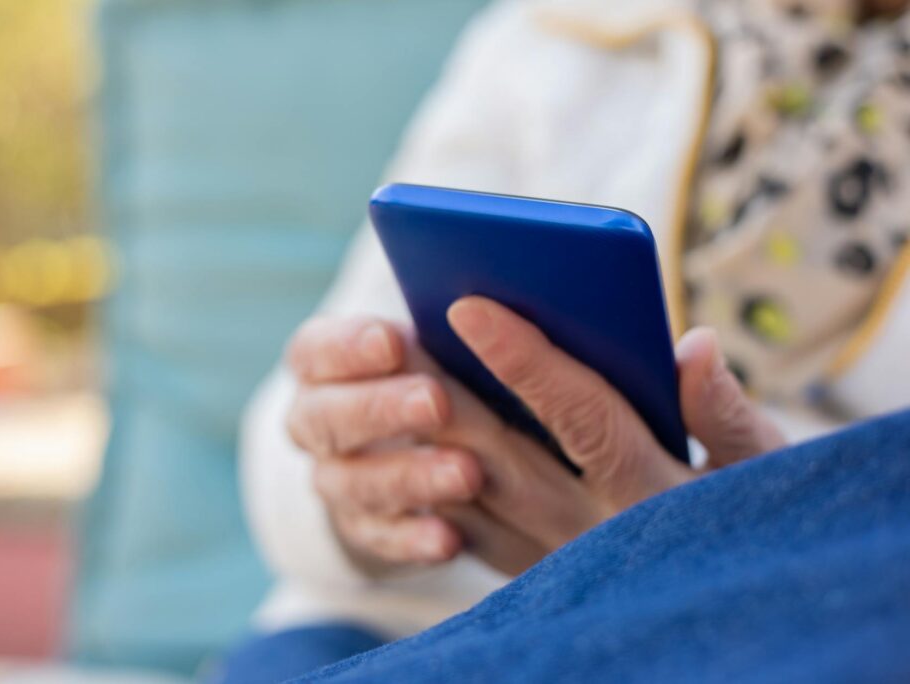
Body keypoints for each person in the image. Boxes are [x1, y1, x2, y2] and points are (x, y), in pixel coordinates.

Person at [235, 0, 910, 677]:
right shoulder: (552, 34)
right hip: (397, 622)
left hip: (796, 630)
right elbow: (290, 431)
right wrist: (359, 496)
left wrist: (718, 535)